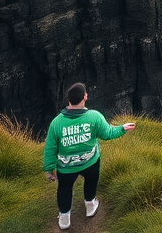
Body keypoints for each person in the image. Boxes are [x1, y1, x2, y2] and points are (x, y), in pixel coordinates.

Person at [42, 82, 136, 229]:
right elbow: (108, 133)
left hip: (66, 167)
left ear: (69, 99)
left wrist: (49, 170)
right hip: (90, 162)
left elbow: (50, 148)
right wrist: (122, 128)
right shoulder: (94, 117)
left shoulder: (56, 123)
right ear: (85, 97)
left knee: (64, 189)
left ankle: (64, 219)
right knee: (91, 181)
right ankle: (90, 206)